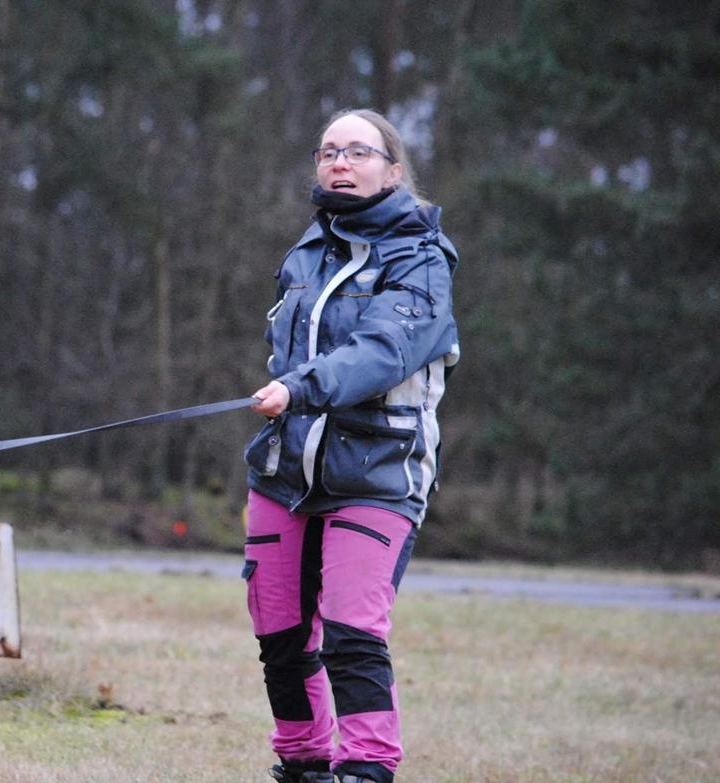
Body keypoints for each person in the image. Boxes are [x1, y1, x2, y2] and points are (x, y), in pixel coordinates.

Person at [243, 108, 459, 783]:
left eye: (359, 151)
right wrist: (290, 395)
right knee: (279, 632)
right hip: (285, 471)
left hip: (379, 474)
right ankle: (303, 760)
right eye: (329, 150)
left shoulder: (423, 260)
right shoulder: (306, 252)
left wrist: (302, 386)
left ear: (393, 170)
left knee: (351, 631)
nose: (339, 161)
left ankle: (365, 767)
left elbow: (382, 350)